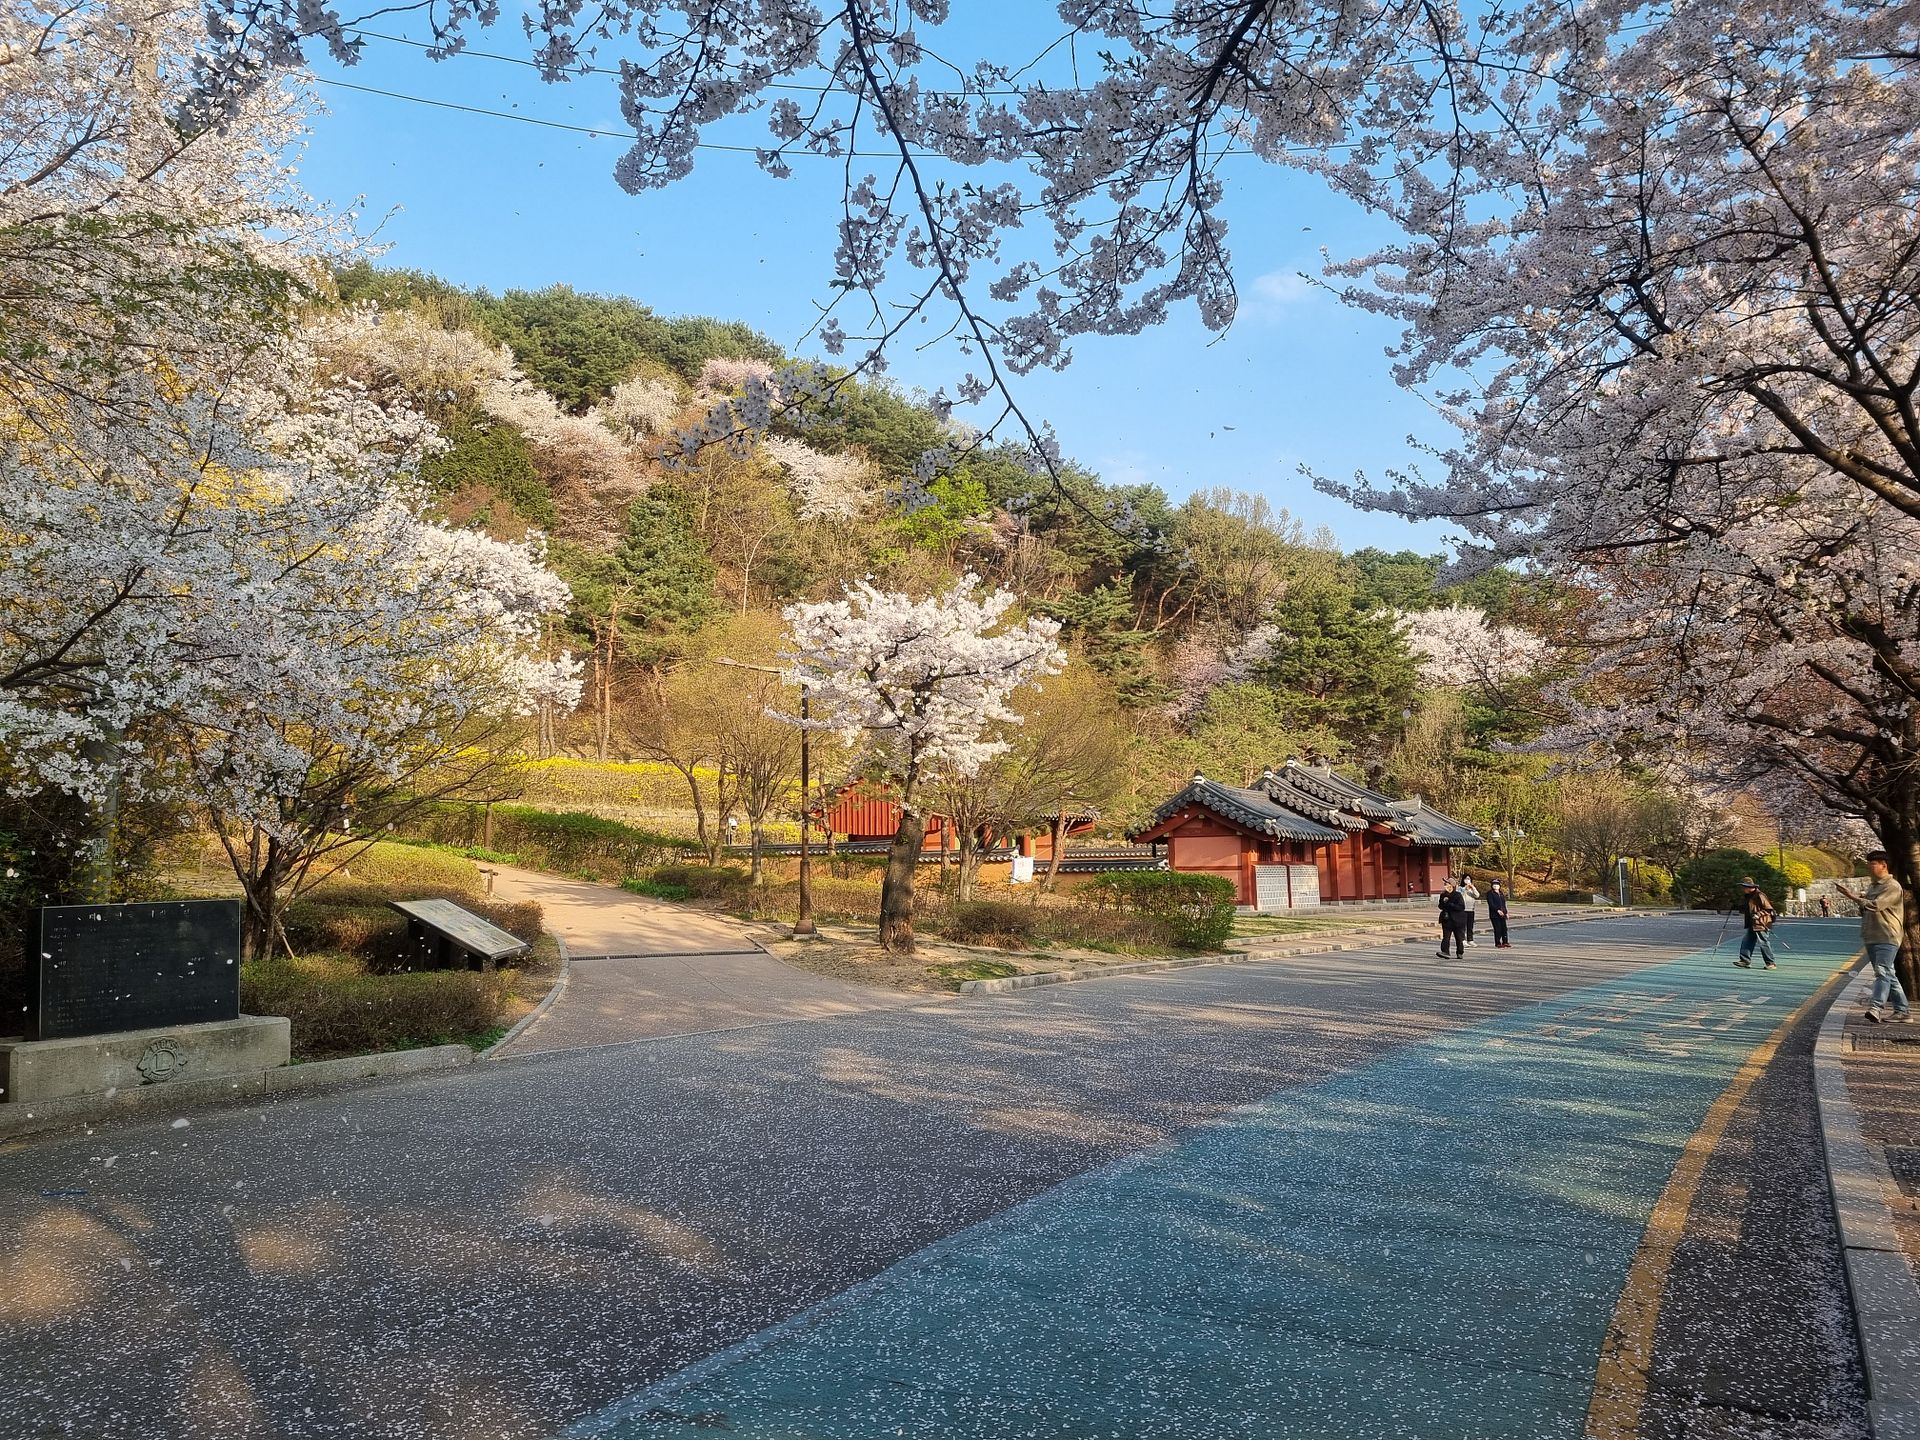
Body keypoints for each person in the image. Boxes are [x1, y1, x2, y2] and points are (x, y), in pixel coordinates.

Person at [1837, 852, 1910, 1024]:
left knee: (1882, 971)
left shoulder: (1892, 886)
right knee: (1888, 973)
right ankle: (1902, 1010)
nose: (1870, 867)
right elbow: (1866, 909)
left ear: (1884, 865)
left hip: (1887, 935)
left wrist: (1851, 896)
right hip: (1871, 935)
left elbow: (1876, 906)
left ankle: (1876, 1007)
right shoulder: (1873, 886)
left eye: (1873, 864)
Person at [1734, 877, 1778, 970]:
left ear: (1749, 887)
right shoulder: (1748, 896)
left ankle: (1771, 963)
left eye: (1744, 887)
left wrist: (1758, 914)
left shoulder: (1759, 895)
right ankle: (1745, 961)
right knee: (1747, 941)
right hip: (1752, 923)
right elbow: (1747, 908)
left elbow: (1769, 909)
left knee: (1763, 942)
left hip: (1761, 923)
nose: (1743, 889)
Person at [1437, 879, 1467, 959]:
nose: (1445, 885)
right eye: (1445, 884)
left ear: (1452, 885)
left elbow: (1461, 907)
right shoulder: (1443, 895)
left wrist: (1450, 904)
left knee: (1458, 937)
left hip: (1457, 920)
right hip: (1446, 919)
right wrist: (1443, 902)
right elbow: (1440, 906)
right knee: (1446, 937)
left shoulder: (1458, 895)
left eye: (1447, 884)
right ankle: (1445, 952)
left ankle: (1460, 952)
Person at [1486, 879, 1511, 948]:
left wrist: (1506, 913)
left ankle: (1505, 942)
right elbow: (1491, 904)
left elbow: (1503, 904)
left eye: (1497, 884)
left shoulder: (1501, 893)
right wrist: (1497, 910)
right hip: (1494, 914)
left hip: (1502, 914)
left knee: (1504, 928)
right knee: (1498, 929)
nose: (1495, 886)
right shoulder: (1490, 893)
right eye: (1494, 884)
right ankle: (1498, 942)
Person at [1460, 875, 1482, 945]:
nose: (1467, 880)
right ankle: (1462, 939)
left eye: (1469, 879)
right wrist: (1465, 889)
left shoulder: (1472, 888)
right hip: (1462, 909)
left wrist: (1473, 888)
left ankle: (1470, 939)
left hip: (1471, 909)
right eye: (1466, 879)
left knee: (1470, 926)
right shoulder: (1460, 888)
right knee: (1462, 926)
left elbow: (1477, 895)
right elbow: (1458, 896)